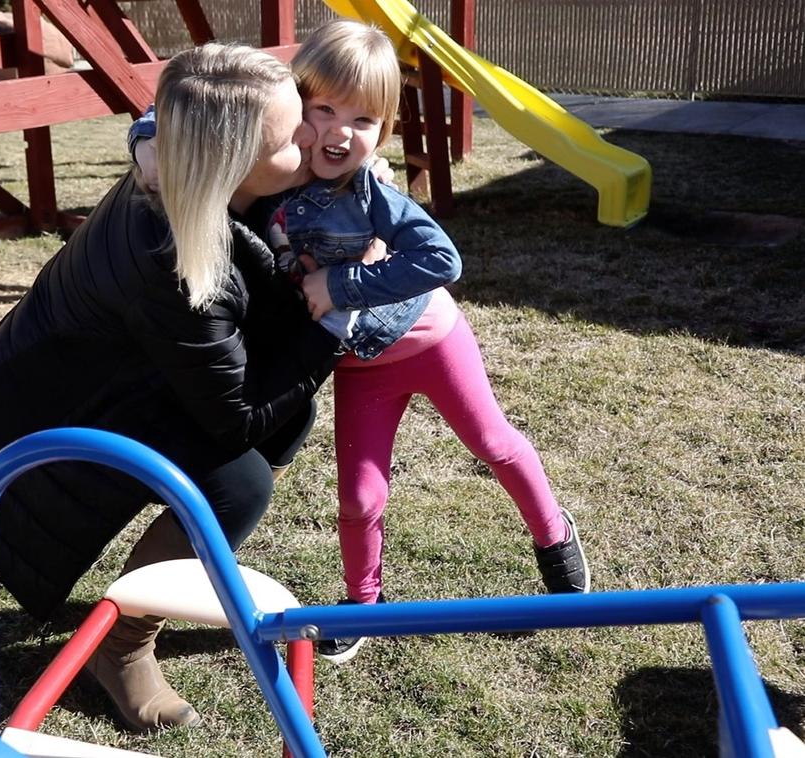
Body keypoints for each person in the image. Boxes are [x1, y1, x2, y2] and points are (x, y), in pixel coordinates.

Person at [129, 19, 590, 666]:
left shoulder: (374, 193)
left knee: (493, 444)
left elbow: (441, 259)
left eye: (364, 120)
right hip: (361, 366)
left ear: (385, 131)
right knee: (359, 496)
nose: (341, 132)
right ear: (295, 104)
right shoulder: (281, 172)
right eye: (324, 110)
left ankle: (554, 535)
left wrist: (343, 283)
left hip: (431, 340)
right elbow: (190, 104)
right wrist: (146, 137)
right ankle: (362, 603)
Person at [0, 42, 346, 733]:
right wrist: (336, 324)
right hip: (39, 422)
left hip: (106, 374)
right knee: (237, 479)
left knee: (287, 412)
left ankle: (191, 560)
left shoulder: (181, 163)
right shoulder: (177, 264)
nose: (311, 134)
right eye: (293, 131)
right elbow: (234, 416)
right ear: (235, 162)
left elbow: (171, 110)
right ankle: (121, 648)